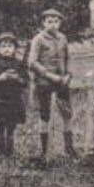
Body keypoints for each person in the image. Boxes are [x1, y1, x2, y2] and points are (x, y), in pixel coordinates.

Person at [26, 9, 76, 163]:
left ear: (60, 23)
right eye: (49, 21)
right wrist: (49, 75)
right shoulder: (38, 39)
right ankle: (44, 150)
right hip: (45, 82)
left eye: (56, 21)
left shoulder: (63, 38)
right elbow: (32, 63)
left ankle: (69, 148)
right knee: (45, 115)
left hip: (61, 81)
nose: (53, 25)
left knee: (67, 113)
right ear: (43, 23)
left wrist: (68, 75)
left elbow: (67, 57)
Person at [0, 33, 29, 158]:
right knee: (1, 125)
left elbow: (26, 80)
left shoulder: (19, 64)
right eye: (3, 46)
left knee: (11, 126)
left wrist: (18, 79)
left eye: (10, 46)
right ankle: (1, 150)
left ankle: (10, 150)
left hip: (14, 99)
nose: (7, 49)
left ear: (15, 48)